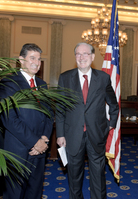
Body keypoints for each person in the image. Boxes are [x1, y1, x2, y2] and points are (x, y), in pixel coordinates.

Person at [56, 42, 119, 199]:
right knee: (74, 177)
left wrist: (110, 125)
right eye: (78, 54)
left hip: (97, 135)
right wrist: (60, 134)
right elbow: (60, 109)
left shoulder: (103, 78)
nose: (81, 57)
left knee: (98, 176)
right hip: (72, 135)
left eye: (85, 54)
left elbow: (114, 105)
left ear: (92, 56)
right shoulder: (65, 78)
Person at [0, 43, 54, 199]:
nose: (37, 62)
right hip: (18, 150)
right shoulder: (9, 83)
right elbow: (9, 119)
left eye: (39, 59)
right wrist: (35, 142)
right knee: (14, 194)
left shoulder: (42, 85)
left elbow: (49, 115)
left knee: (34, 192)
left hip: (40, 150)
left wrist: (43, 139)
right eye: (32, 58)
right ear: (21, 60)